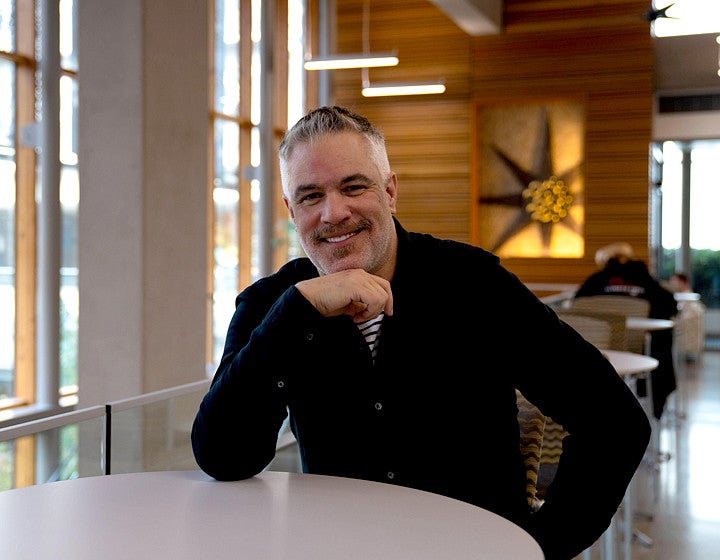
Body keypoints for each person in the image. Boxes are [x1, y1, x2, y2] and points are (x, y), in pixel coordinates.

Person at [192, 106, 650, 560]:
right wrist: (297, 314)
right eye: (311, 196)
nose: (333, 212)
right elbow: (224, 457)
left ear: (390, 192)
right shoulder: (274, 306)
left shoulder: (474, 284)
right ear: (292, 210)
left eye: (354, 186)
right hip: (339, 550)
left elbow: (614, 421)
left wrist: (540, 548)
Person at [574, 242, 678, 418]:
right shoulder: (645, 279)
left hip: (599, 352)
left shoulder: (596, 281)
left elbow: (577, 306)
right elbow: (670, 305)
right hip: (640, 351)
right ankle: (651, 405)